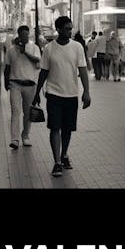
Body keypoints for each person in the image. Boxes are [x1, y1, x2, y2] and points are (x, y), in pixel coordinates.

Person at [34, 16, 91, 177]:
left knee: (67, 129)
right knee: (54, 127)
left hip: (71, 93)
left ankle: (64, 154)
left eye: (71, 28)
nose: (70, 31)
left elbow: (83, 70)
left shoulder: (77, 47)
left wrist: (86, 92)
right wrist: (37, 92)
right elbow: (44, 71)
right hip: (53, 93)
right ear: (58, 29)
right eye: (67, 28)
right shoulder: (49, 48)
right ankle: (57, 162)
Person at [4, 25, 42, 150]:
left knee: (28, 113)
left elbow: (37, 62)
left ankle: (25, 135)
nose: (25, 37)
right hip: (15, 83)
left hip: (30, 85)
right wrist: (6, 81)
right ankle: (14, 139)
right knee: (15, 111)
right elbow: (7, 67)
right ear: (18, 35)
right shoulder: (11, 50)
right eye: (22, 35)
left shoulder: (34, 47)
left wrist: (24, 51)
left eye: (26, 34)